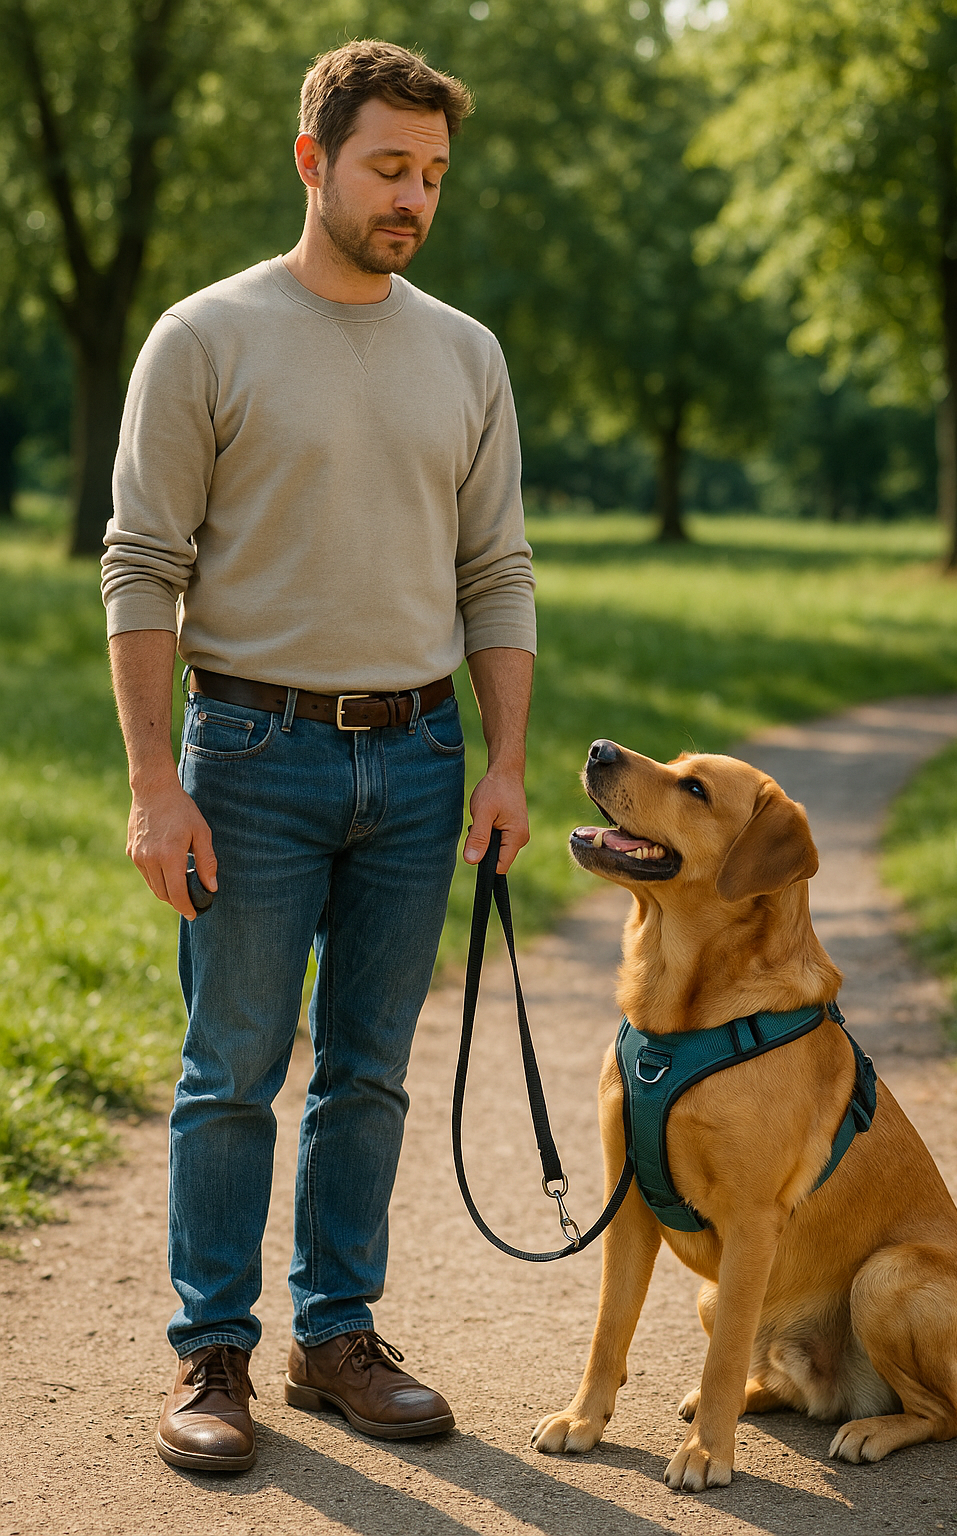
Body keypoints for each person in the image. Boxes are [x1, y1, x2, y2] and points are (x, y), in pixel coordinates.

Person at [100, 39, 535, 1474]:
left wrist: (504, 761)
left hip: (416, 760)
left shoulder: (467, 352)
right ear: (314, 162)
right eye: (388, 168)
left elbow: (498, 572)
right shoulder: (204, 338)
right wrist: (155, 783)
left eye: (433, 175)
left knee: (369, 1069)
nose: (414, 197)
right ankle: (208, 1354)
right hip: (248, 752)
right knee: (232, 1066)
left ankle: (334, 1335)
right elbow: (142, 566)